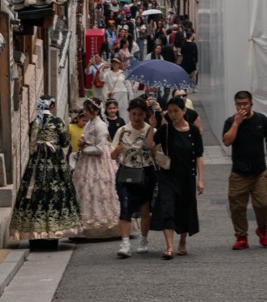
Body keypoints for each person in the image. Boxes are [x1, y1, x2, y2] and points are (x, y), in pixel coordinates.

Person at [9, 97, 82, 243]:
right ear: (52, 106)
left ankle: (34, 229)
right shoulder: (57, 122)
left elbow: (32, 142)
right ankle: (56, 228)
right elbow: (64, 142)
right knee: (57, 191)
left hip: (36, 164)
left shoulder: (34, 123)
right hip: (55, 162)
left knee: (33, 191)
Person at [222, 90, 267, 250]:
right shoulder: (230, 121)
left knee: (263, 204)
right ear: (235, 105)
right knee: (237, 207)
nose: (242, 107)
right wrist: (236, 123)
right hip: (239, 173)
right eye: (239, 104)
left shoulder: (261, 119)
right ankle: (241, 237)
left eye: (245, 104)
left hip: (259, 171)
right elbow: (227, 141)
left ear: (251, 103)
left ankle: (262, 229)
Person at [147, 97, 204, 259]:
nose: (172, 115)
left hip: (187, 177)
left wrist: (200, 180)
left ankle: (182, 242)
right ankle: (169, 246)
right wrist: (152, 127)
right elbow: (150, 145)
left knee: (184, 209)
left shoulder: (193, 131)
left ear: (184, 111)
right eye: (170, 111)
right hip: (167, 176)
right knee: (167, 207)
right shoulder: (165, 130)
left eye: (176, 111)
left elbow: (199, 156)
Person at [111, 97, 156, 257]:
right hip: (126, 172)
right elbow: (112, 155)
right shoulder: (122, 130)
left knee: (145, 207)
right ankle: (125, 243)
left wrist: (152, 128)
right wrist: (117, 151)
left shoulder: (152, 130)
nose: (136, 118)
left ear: (145, 114)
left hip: (146, 173)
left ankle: (143, 239)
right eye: (133, 114)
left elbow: (153, 151)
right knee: (125, 206)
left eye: (140, 114)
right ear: (129, 113)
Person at [71, 99, 120, 229]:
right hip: (87, 161)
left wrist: (85, 149)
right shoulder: (89, 123)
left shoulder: (100, 126)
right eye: (85, 109)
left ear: (97, 111)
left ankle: (103, 221)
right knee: (86, 188)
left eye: (88, 110)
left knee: (99, 188)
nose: (85, 112)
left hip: (99, 161)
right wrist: (83, 144)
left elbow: (100, 149)